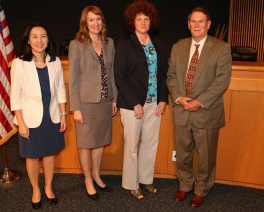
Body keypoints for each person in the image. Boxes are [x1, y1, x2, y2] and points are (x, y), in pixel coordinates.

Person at [166, 7, 232, 208]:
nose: (196, 25)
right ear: (188, 24)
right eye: (193, 21)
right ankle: (185, 185)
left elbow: (221, 81)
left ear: (208, 24)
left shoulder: (221, 48)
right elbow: (172, 77)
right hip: (182, 110)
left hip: (206, 111)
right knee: (183, 153)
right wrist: (178, 98)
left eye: (201, 21)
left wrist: (199, 101)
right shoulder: (178, 47)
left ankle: (202, 189)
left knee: (206, 155)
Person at [114, 0, 169, 200]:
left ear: (151, 21)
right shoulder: (125, 44)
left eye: (147, 19)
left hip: (154, 103)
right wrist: (134, 103)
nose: (143, 22)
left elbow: (163, 74)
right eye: (139, 19)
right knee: (131, 146)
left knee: (150, 144)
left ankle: (146, 179)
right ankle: (131, 183)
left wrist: (163, 99)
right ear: (132, 21)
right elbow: (119, 76)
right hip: (132, 105)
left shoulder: (159, 44)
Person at [10, 23, 66, 210]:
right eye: (34, 36)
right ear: (28, 40)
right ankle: (36, 189)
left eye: (43, 36)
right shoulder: (19, 63)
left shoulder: (55, 61)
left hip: (52, 116)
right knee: (32, 156)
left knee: (50, 154)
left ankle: (48, 187)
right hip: (29, 119)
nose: (39, 40)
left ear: (48, 39)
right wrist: (22, 123)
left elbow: (60, 90)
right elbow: (15, 95)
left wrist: (64, 115)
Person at [68, 6, 117, 201]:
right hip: (85, 103)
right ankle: (88, 179)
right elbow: (73, 79)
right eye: (91, 20)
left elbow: (111, 72)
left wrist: (114, 98)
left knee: (100, 142)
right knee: (85, 144)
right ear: (84, 23)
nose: (95, 23)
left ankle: (97, 174)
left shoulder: (109, 42)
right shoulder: (77, 44)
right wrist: (76, 108)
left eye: (98, 19)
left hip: (105, 100)